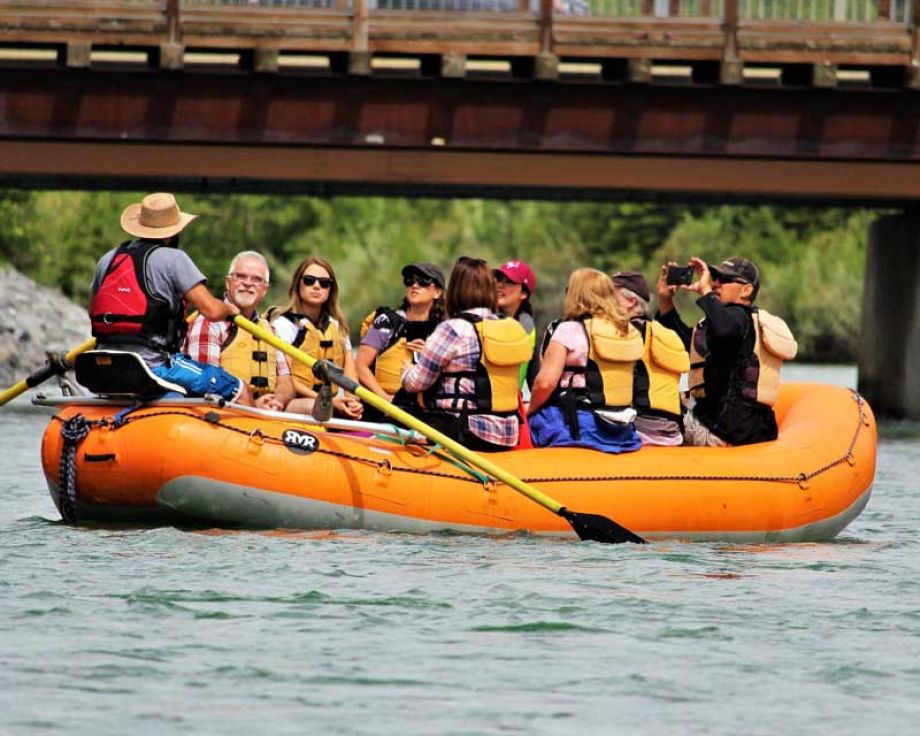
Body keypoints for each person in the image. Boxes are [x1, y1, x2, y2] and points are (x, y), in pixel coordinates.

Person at [89, 192, 251, 405]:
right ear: (173, 232)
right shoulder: (174, 259)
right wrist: (230, 310)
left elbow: (93, 310)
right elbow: (211, 310)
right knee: (238, 388)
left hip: (103, 364)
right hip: (154, 366)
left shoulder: (108, 259)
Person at [656, 256, 797, 447]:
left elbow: (724, 330)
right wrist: (666, 301)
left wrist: (706, 292)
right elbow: (685, 344)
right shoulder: (729, 325)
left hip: (723, 430)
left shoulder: (739, 319)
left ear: (746, 290)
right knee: (679, 401)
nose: (716, 283)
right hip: (742, 429)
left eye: (724, 279)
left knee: (658, 416)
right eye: (714, 277)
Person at [401, 257, 532, 452]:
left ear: (455, 290)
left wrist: (407, 371)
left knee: (401, 413)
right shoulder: (509, 327)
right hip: (507, 433)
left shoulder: (453, 329)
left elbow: (416, 383)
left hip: (464, 430)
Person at [528, 268, 644, 453]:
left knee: (535, 419)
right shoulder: (627, 331)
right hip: (623, 428)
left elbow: (544, 383)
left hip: (583, 426)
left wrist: (530, 411)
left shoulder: (569, 329)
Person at [184, 251, 295, 412]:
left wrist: (277, 401)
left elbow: (286, 382)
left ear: (265, 289)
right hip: (223, 413)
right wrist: (252, 406)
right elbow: (205, 383)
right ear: (228, 283)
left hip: (267, 414)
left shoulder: (270, 330)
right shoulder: (209, 322)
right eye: (241, 277)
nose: (248, 283)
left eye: (257, 280)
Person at [271, 256, 363, 419]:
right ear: (298, 284)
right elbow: (287, 379)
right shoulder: (284, 325)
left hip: (330, 402)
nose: (316, 286)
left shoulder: (337, 326)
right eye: (309, 280)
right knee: (318, 407)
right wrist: (330, 402)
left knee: (358, 409)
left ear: (330, 289)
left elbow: (349, 370)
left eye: (324, 283)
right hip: (295, 402)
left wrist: (351, 400)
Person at [356, 262, 445, 423]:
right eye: (410, 280)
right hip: (382, 407)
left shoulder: (443, 329)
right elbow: (360, 365)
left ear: (437, 292)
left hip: (421, 411)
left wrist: (430, 354)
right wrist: (385, 399)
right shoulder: (387, 321)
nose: (415, 285)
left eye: (423, 281)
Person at [611, 270, 689, 446]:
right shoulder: (664, 333)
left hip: (640, 428)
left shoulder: (624, 334)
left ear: (631, 302)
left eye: (610, 296)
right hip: (671, 429)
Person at [493, 259, 540, 391]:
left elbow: (534, 377)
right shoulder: (483, 320)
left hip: (511, 405)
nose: (500, 285)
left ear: (524, 294)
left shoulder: (528, 326)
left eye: (509, 282)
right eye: (499, 279)